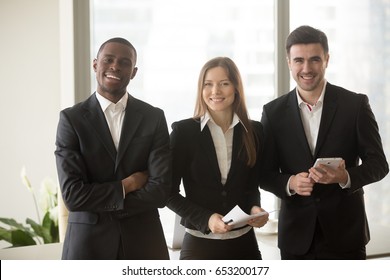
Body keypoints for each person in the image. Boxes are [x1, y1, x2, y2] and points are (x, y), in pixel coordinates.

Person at [259, 25, 389, 260]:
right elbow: (263, 173)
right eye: (299, 60)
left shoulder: (355, 105)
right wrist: (290, 183)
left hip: (346, 236)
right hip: (295, 239)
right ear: (288, 61)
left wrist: (344, 177)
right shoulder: (273, 113)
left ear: (327, 59)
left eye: (315, 59)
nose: (306, 68)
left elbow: (379, 164)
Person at [55, 37, 171, 259]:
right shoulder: (71, 119)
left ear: (134, 72)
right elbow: (73, 195)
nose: (115, 66)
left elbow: (160, 192)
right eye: (108, 59)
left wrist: (100, 199)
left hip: (144, 242)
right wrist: (127, 185)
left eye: (124, 62)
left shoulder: (153, 117)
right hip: (88, 244)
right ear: (95, 64)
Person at [167, 57, 269, 260]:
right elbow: (167, 193)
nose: (215, 91)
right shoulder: (184, 132)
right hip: (198, 245)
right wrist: (206, 219)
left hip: (244, 245)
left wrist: (254, 209)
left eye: (224, 83)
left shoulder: (254, 131)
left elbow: (250, 187)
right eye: (208, 84)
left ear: (236, 87)